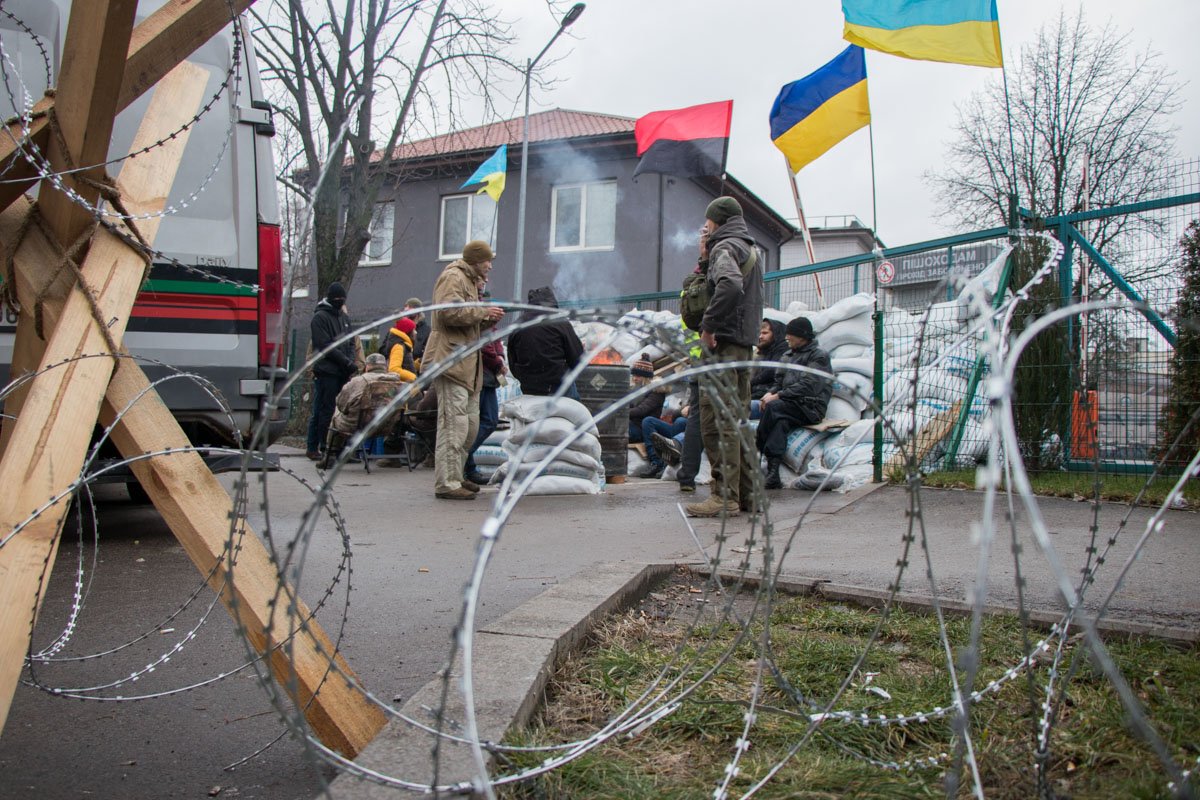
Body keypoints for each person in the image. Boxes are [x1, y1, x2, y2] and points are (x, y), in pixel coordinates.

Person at [685, 196, 764, 518]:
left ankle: (724, 496)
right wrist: (705, 258)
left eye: (707, 224)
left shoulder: (725, 248)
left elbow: (729, 284)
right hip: (742, 346)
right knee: (738, 421)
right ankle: (749, 494)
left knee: (716, 421)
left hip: (724, 346)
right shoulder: (749, 248)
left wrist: (708, 326)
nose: (705, 229)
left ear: (717, 221)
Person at [423, 240, 505, 500]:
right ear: (476, 260)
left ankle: (457, 476)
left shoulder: (470, 282)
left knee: (469, 426)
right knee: (453, 425)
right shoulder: (453, 277)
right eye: (487, 261)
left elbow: (467, 325)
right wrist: (482, 312)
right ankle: (447, 483)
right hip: (451, 362)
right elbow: (447, 313)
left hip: (467, 364)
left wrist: (487, 319)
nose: (490, 266)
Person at [755, 316, 833, 490]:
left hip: (810, 407)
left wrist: (778, 396)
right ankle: (773, 474)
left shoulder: (819, 356)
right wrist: (769, 393)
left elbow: (809, 385)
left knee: (773, 408)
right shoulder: (787, 356)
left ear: (802, 336)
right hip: (787, 406)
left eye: (790, 334)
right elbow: (778, 381)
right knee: (780, 422)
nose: (787, 338)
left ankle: (757, 452)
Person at [321, 353, 402, 468]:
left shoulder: (359, 381)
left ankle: (330, 455)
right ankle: (392, 456)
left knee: (337, 415)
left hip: (359, 425)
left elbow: (341, 402)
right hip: (388, 426)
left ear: (367, 366)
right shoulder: (396, 381)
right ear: (385, 366)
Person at [306, 281, 357, 460]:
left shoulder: (344, 318)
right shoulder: (320, 317)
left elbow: (351, 342)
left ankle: (338, 447)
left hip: (343, 371)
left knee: (342, 411)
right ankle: (319, 446)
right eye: (338, 298)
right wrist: (346, 362)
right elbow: (324, 345)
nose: (340, 301)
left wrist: (350, 361)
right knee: (324, 410)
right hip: (327, 372)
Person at [506, 286, 584, 399]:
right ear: (552, 302)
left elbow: (512, 361)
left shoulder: (517, 325)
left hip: (529, 386)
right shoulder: (560, 322)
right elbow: (577, 356)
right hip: (558, 385)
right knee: (575, 404)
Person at [464, 288, 507, 485]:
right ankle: (464, 456)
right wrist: (498, 364)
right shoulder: (482, 324)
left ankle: (469, 467)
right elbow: (486, 349)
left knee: (480, 421)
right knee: (488, 420)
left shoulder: (490, 326)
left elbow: (494, 346)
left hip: (487, 377)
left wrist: (500, 359)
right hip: (483, 377)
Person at [627, 355, 669, 478]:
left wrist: (621, 412)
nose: (635, 378)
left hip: (641, 428)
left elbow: (641, 410)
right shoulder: (636, 389)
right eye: (634, 375)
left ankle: (656, 463)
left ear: (646, 377)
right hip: (633, 425)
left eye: (638, 376)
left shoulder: (656, 392)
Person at [751, 318, 788, 418]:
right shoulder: (765, 351)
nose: (760, 337)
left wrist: (750, 383)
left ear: (775, 334)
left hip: (768, 398)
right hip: (758, 394)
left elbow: (771, 371)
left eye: (765, 333)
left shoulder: (783, 349)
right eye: (759, 333)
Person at [379, 316, 419, 382]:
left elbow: (405, 365)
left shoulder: (403, 345)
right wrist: (413, 377)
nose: (415, 332)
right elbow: (393, 369)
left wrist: (418, 363)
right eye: (413, 330)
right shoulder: (399, 346)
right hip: (404, 385)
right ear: (407, 332)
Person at [404, 297, 430, 369]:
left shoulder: (427, 330)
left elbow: (429, 352)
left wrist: (418, 362)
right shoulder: (399, 328)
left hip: (417, 371)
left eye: (410, 307)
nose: (406, 309)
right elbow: (384, 349)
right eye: (406, 307)